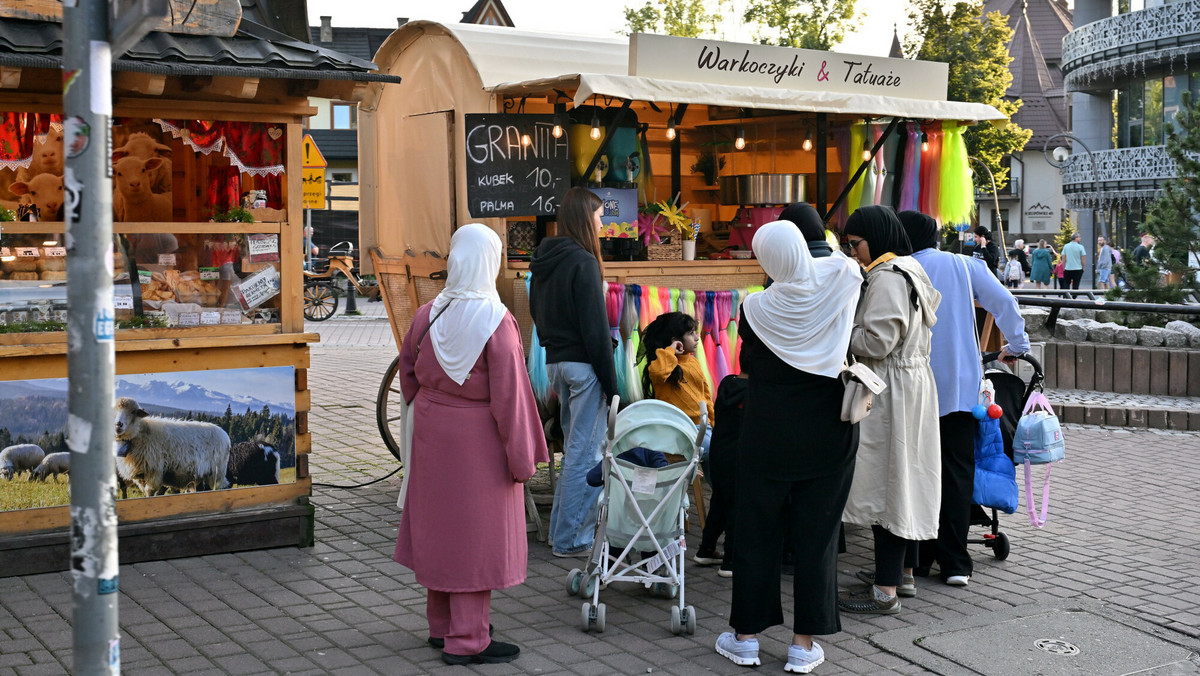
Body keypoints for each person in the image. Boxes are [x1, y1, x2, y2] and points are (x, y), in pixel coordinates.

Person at [393, 224, 549, 666]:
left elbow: (407, 375)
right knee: (473, 539)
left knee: (441, 530)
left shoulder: (428, 314)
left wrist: (432, 409)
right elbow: (511, 399)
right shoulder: (497, 322)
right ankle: (468, 638)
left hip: (432, 432)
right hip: (477, 442)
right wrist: (524, 459)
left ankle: (441, 627)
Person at [714, 221, 862, 674]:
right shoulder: (842, 280)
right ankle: (803, 645)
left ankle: (745, 639)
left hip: (767, 435)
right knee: (817, 538)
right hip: (828, 432)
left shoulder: (755, 307)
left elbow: (748, 363)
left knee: (756, 533)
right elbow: (843, 259)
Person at [900, 210, 1030, 588]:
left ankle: (917, 559)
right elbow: (1004, 301)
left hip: (913, 387)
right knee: (958, 471)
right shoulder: (963, 264)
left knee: (916, 472)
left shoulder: (897, 269)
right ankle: (956, 561)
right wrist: (1018, 345)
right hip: (959, 387)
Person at [838, 205, 942, 617]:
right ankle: (902, 574)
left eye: (855, 244)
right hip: (911, 385)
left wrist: (839, 328)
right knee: (906, 479)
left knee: (888, 487)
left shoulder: (885, 278)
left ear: (875, 238)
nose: (853, 253)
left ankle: (885, 593)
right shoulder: (909, 269)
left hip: (889, 389)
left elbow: (877, 342)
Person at [530, 187, 619, 558]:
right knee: (586, 454)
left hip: (556, 363)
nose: (602, 223)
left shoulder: (544, 260)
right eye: (599, 216)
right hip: (584, 368)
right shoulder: (583, 262)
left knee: (574, 451)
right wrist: (613, 385)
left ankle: (559, 534)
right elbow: (596, 331)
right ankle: (572, 539)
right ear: (585, 217)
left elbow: (537, 315)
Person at [641, 311, 715, 461]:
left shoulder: (693, 362)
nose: (697, 337)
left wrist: (713, 423)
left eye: (695, 332)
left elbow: (705, 396)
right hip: (679, 433)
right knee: (719, 452)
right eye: (690, 333)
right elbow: (658, 373)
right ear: (676, 340)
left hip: (703, 428)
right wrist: (670, 350)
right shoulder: (663, 364)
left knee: (718, 461)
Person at [697, 373, 748, 577]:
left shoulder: (727, 382)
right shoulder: (756, 392)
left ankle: (706, 550)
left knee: (719, 501)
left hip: (719, 452)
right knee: (736, 506)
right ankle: (730, 561)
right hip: (739, 457)